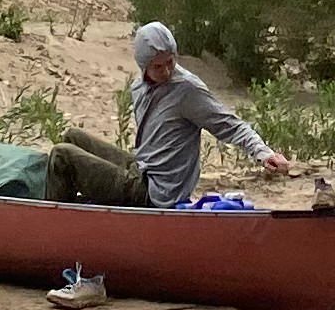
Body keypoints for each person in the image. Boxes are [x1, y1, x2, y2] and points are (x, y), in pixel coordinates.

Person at [49, 21, 294, 211]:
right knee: (73, 137)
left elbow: (232, 125)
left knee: (62, 155)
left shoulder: (187, 90)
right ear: (144, 65)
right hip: (142, 170)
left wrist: (264, 153)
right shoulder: (139, 87)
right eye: (158, 66)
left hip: (157, 193)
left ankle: (52, 228)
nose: (166, 70)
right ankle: (72, 213)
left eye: (170, 62)